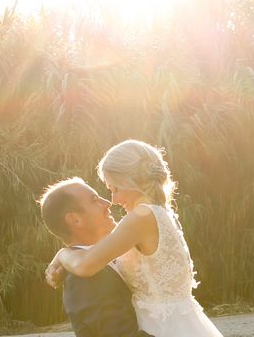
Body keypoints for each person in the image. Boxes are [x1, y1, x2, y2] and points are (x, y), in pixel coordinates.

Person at [47, 140, 223, 337]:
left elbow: (86, 264)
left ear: (131, 180)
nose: (113, 200)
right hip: (180, 323)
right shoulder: (159, 215)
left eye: (115, 189)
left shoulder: (141, 217)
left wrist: (62, 254)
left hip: (163, 328)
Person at [39, 177, 153, 337]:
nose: (107, 202)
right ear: (75, 220)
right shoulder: (86, 279)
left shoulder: (106, 258)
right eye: (94, 200)